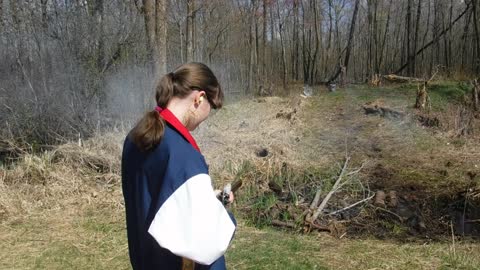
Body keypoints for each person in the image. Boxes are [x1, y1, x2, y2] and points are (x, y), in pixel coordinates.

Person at [121, 62, 236, 270]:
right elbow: (209, 242)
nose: (203, 120)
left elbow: (159, 198)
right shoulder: (183, 155)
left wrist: (207, 198)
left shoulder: (135, 138)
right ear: (199, 98)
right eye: (209, 108)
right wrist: (224, 214)